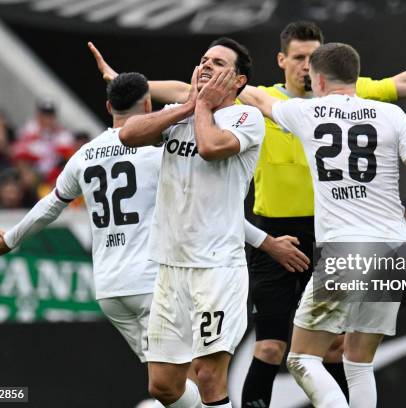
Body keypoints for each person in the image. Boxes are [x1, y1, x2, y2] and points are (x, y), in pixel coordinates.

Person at [87, 18, 406, 405]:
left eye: (312, 57)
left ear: (321, 70)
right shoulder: (288, 102)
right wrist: (130, 82)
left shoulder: (302, 108)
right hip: (294, 234)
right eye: (298, 56)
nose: (305, 65)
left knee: (320, 353)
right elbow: (190, 90)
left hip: (331, 236)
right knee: (279, 347)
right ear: (282, 60)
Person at [0, 71, 300, 406]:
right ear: (148, 104)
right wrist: (267, 243)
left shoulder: (84, 155)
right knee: (193, 376)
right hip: (156, 280)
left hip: (111, 291)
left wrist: (11, 239)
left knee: (169, 386)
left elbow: (51, 205)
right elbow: (208, 211)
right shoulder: (160, 154)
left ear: (108, 107)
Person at [242, 42, 406, 408]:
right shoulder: (391, 115)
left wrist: (226, 79)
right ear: (355, 75)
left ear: (319, 79)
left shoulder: (305, 112)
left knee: (301, 358)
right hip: (393, 248)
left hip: (346, 250)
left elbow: (260, 101)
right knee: (358, 362)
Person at [116, 38, 264, 408]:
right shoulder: (180, 112)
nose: (207, 67)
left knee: (209, 375)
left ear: (239, 81)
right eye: (203, 60)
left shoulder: (245, 118)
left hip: (216, 267)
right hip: (170, 266)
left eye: (218, 63)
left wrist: (201, 106)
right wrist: (187, 106)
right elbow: (128, 134)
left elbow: (211, 148)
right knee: (163, 385)